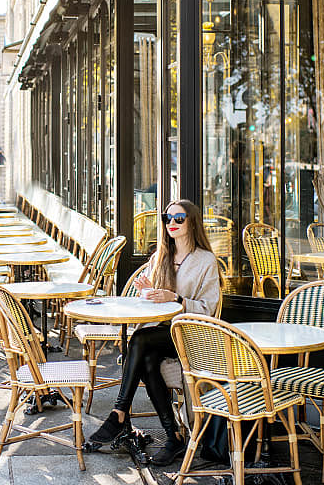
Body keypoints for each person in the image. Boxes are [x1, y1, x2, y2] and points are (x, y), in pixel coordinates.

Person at [87, 198, 221, 466]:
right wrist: (148, 289)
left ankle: (119, 412)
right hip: (159, 333)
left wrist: (177, 299)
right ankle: (172, 437)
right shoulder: (159, 256)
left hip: (189, 334)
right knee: (147, 359)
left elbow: (209, 308)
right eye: (167, 218)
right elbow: (151, 302)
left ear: (192, 222)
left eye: (179, 218)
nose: (172, 223)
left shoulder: (206, 261)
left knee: (139, 339)